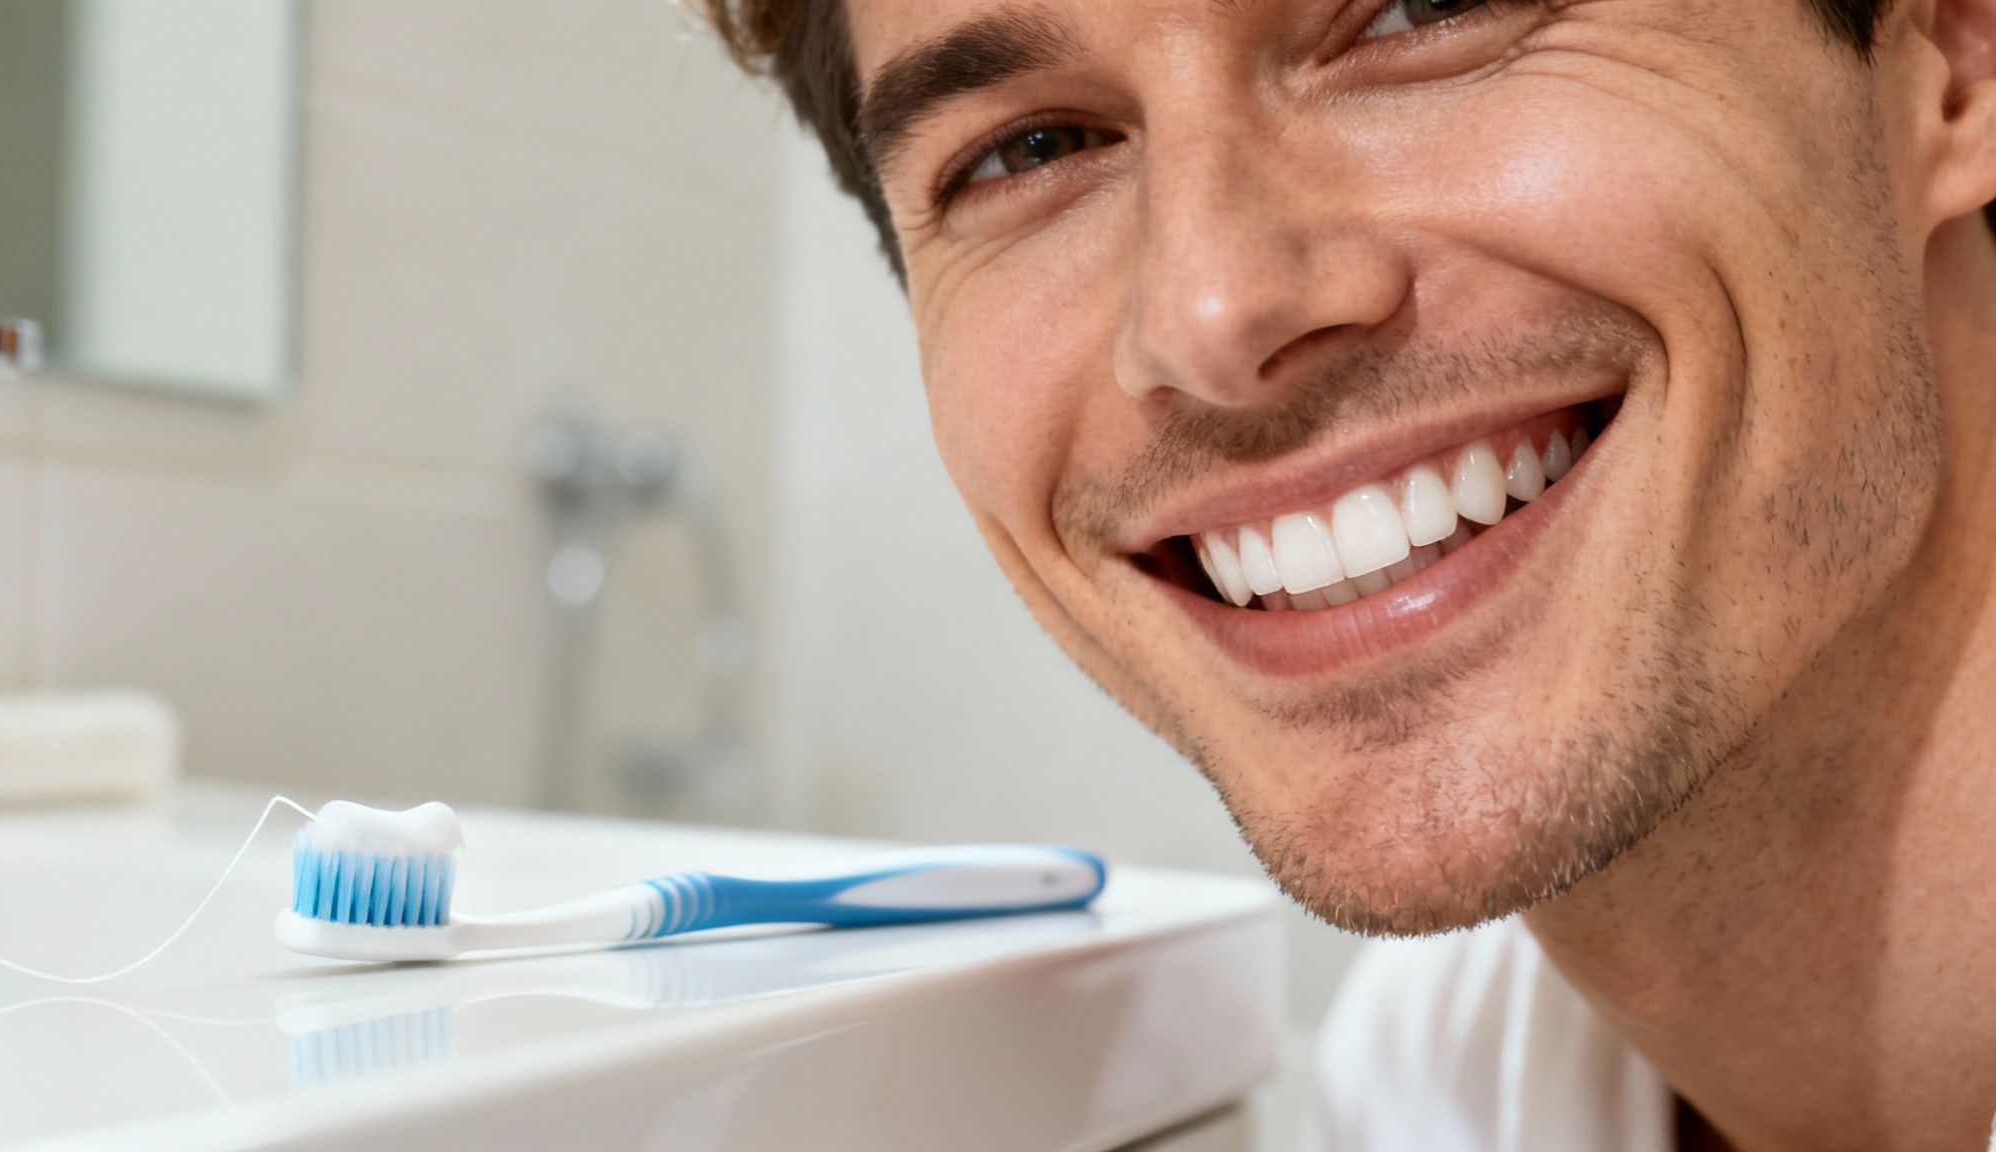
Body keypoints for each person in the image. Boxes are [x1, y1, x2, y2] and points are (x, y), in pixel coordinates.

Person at [695, 1, 1996, 1148]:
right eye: (1032, 149)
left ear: (1950, 49)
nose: (1210, 310)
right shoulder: (1432, 1070)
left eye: (1425, 9)